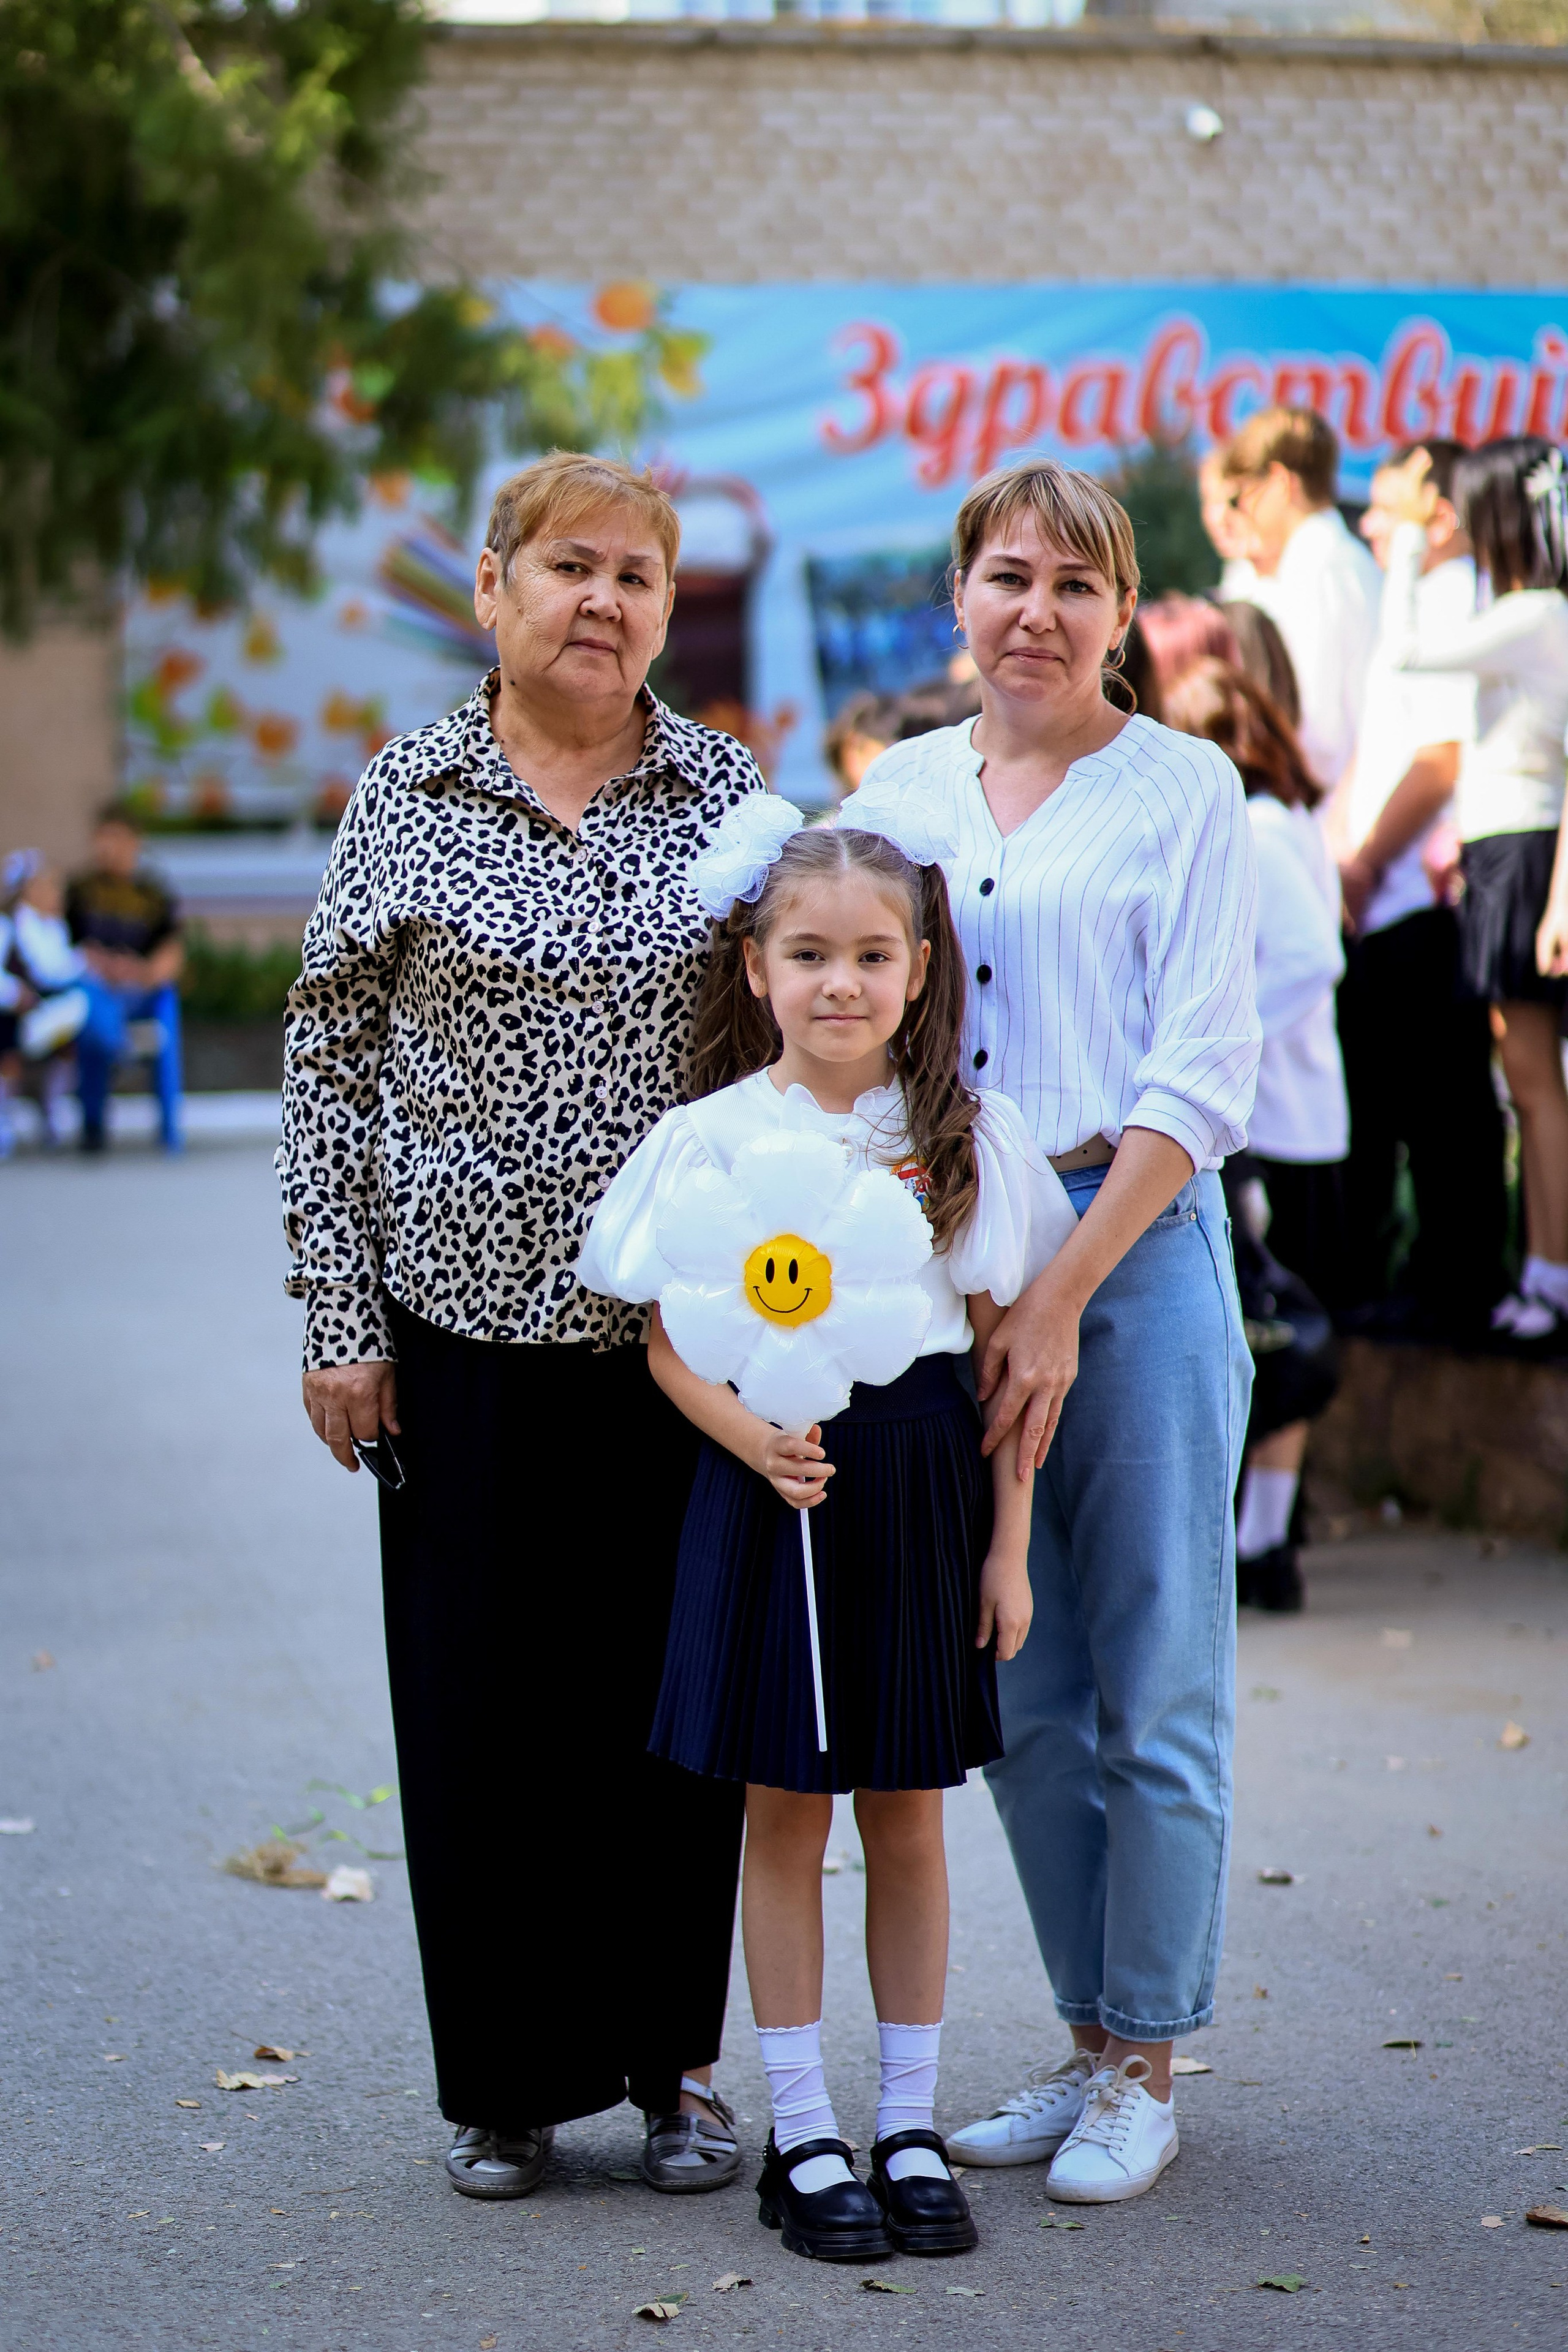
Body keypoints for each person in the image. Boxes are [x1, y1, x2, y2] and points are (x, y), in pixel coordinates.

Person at [277, 451, 764, 2202]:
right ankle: (504, 2080)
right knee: (481, 1706)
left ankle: (674, 2071)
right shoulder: (408, 792)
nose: (605, 602)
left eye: (639, 577)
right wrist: (342, 1317)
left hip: (679, 1347)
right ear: (493, 588)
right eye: (571, 566)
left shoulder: (724, 792)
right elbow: (327, 1057)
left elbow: (794, 1046)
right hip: (455, 1329)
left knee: (671, 1706)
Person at [840, 459, 1258, 2203]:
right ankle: (1087, 2040)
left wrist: (1066, 1295)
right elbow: (855, 1014)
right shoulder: (897, 788)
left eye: (1077, 586)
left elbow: (1201, 1068)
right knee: (1016, 1679)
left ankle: (1148, 2057)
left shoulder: (1186, 789)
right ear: (960, 598)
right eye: (1010, 576)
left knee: (1157, 1683)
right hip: (956, 1276)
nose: (1039, 611)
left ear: (1120, 617)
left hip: (1133, 1259)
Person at [579, 812, 1075, 2263]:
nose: (839, 983)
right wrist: (751, 1439)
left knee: (908, 1812)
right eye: (807, 954)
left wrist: (1008, 1548)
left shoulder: (965, 1142)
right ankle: (800, 2130)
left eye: (870, 954)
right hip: (766, 1482)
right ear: (753, 966)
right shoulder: (709, 1139)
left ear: (919, 971)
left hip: (919, 1480)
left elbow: (1004, 1367)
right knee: (782, 1813)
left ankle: (906, 2118)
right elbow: (665, 1342)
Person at [1163, 658, 1348, 1610]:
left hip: (1281, 1129)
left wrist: (1225, 1033)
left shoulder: (1253, 829)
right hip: (1272, 1124)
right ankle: (1263, 1543)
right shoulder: (1255, 825)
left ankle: (1265, 1546)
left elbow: (1317, 954)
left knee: (1278, 1335)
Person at [1377, 437, 1568, 1346]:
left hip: (1531, 855)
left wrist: (1414, 540)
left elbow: (1406, 652)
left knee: (1537, 1087)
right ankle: (1543, 1273)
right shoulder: (1531, 613)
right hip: (1508, 852)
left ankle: (1549, 1278)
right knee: (1530, 1087)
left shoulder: (1534, 610)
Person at [1334, 440, 1506, 1338]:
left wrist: (1363, 862)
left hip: (1423, 896)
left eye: (1387, 505)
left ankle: (1462, 1284)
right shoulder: (1413, 598)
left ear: (1440, 513)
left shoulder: (1453, 593)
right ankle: (1431, 1277)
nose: (1369, 522)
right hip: (1387, 895)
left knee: (1445, 1109)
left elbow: (1439, 758)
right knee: (1407, 1102)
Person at [1221, 407, 1381, 794]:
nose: (1239, 515)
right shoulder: (1330, 558)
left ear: (1278, 483)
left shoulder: (1318, 565)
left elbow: (1317, 726)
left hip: (1329, 801)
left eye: (1240, 498)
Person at [65, 806, 185, 1153]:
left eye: (114, 838)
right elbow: (63, 945)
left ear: (134, 842)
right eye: (101, 838)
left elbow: (171, 950)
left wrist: (141, 973)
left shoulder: (153, 894)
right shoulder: (80, 890)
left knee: (153, 1005)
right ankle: (95, 1119)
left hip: (139, 991)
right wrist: (100, 963)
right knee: (89, 1003)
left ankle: (114, 1042)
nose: (106, 847)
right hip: (95, 986)